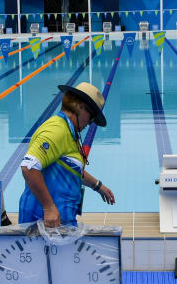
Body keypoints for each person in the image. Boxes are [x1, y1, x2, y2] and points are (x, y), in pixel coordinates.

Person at [19, 82, 116, 227]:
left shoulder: (68, 131)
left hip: (60, 223)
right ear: (80, 107)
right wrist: (49, 207)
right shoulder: (57, 129)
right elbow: (28, 167)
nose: (90, 123)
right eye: (92, 116)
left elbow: (70, 169)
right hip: (42, 222)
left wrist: (98, 186)